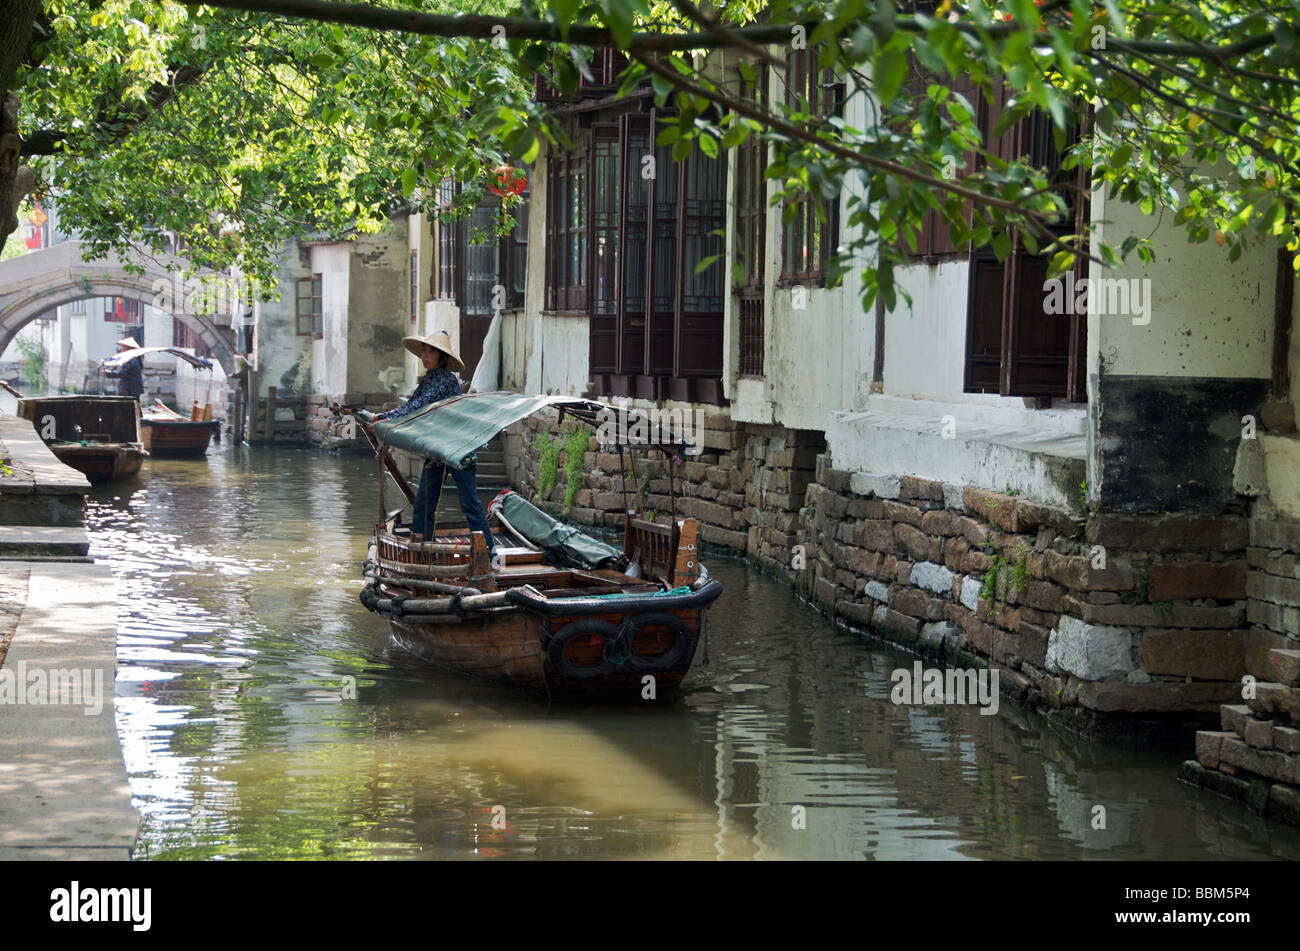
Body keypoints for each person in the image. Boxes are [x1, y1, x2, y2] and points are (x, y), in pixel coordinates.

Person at [370, 332, 497, 554]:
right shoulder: (428, 379)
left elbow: (419, 406)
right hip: (437, 451)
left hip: (460, 448)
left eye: (430, 352)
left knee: (470, 504)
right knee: (423, 504)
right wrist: (381, 417)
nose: (425, 356)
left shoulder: (446, 380)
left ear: (442, 357)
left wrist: (384, 419)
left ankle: (488, 552)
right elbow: (411, 403)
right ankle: (423, 551)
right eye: (424, 351)